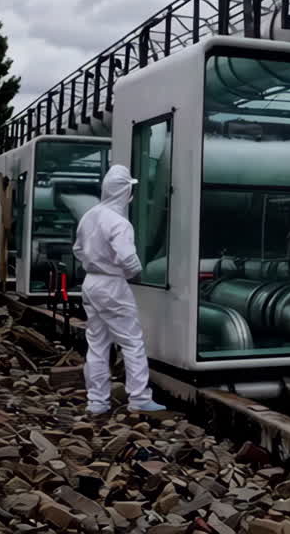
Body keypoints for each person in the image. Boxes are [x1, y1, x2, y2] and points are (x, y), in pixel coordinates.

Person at [73, 164, 165, 416]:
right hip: (112, 285)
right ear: (125, 192)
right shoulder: (120, 223)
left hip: (91, 282)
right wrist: (134, 272)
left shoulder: (90, 215)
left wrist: (95, 263)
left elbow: (78, 250)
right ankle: (139, 398)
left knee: (97, 344)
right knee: (132, 342)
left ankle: (97, 402)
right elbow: (128, 259)